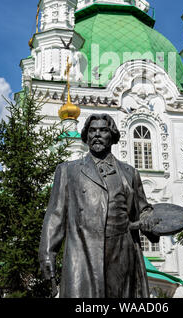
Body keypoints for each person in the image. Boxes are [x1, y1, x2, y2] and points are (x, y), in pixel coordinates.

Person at [38, 113, 159, 298]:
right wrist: (47, 256)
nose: (96, 135)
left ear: (112, 135)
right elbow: (55, 216)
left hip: (122, 256)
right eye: (92, 131)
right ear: (86, 136)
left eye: (103, 130)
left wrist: (147, 219)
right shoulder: (68, 171)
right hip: (83, 253)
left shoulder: (129, 173)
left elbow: (143, 209)